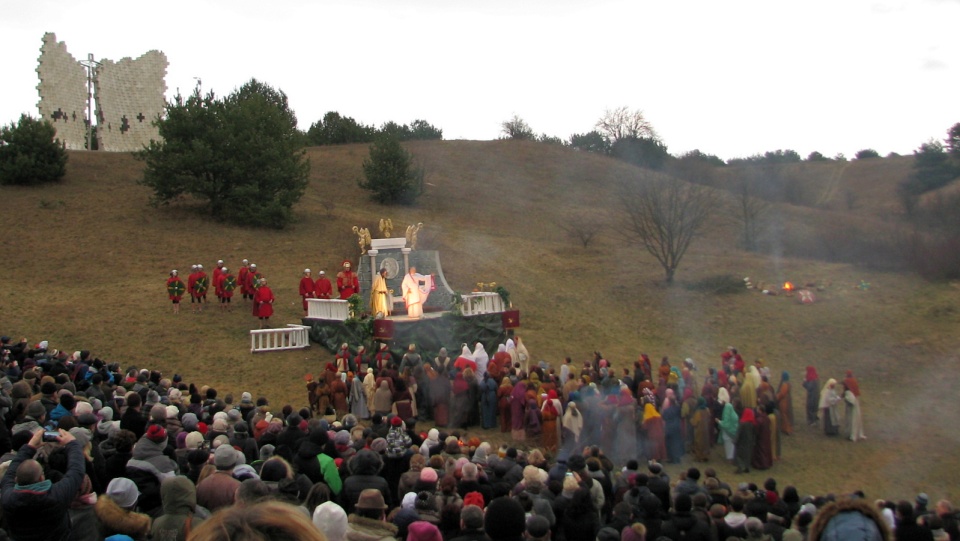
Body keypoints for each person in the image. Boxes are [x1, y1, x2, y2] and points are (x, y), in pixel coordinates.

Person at [0, 428, 85, 541]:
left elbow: (9, 474)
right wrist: (73, 444)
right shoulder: (56, 496)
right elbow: (76, 471)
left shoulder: (8, 498)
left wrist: (29, 447)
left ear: (16, 479)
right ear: (41, 478)